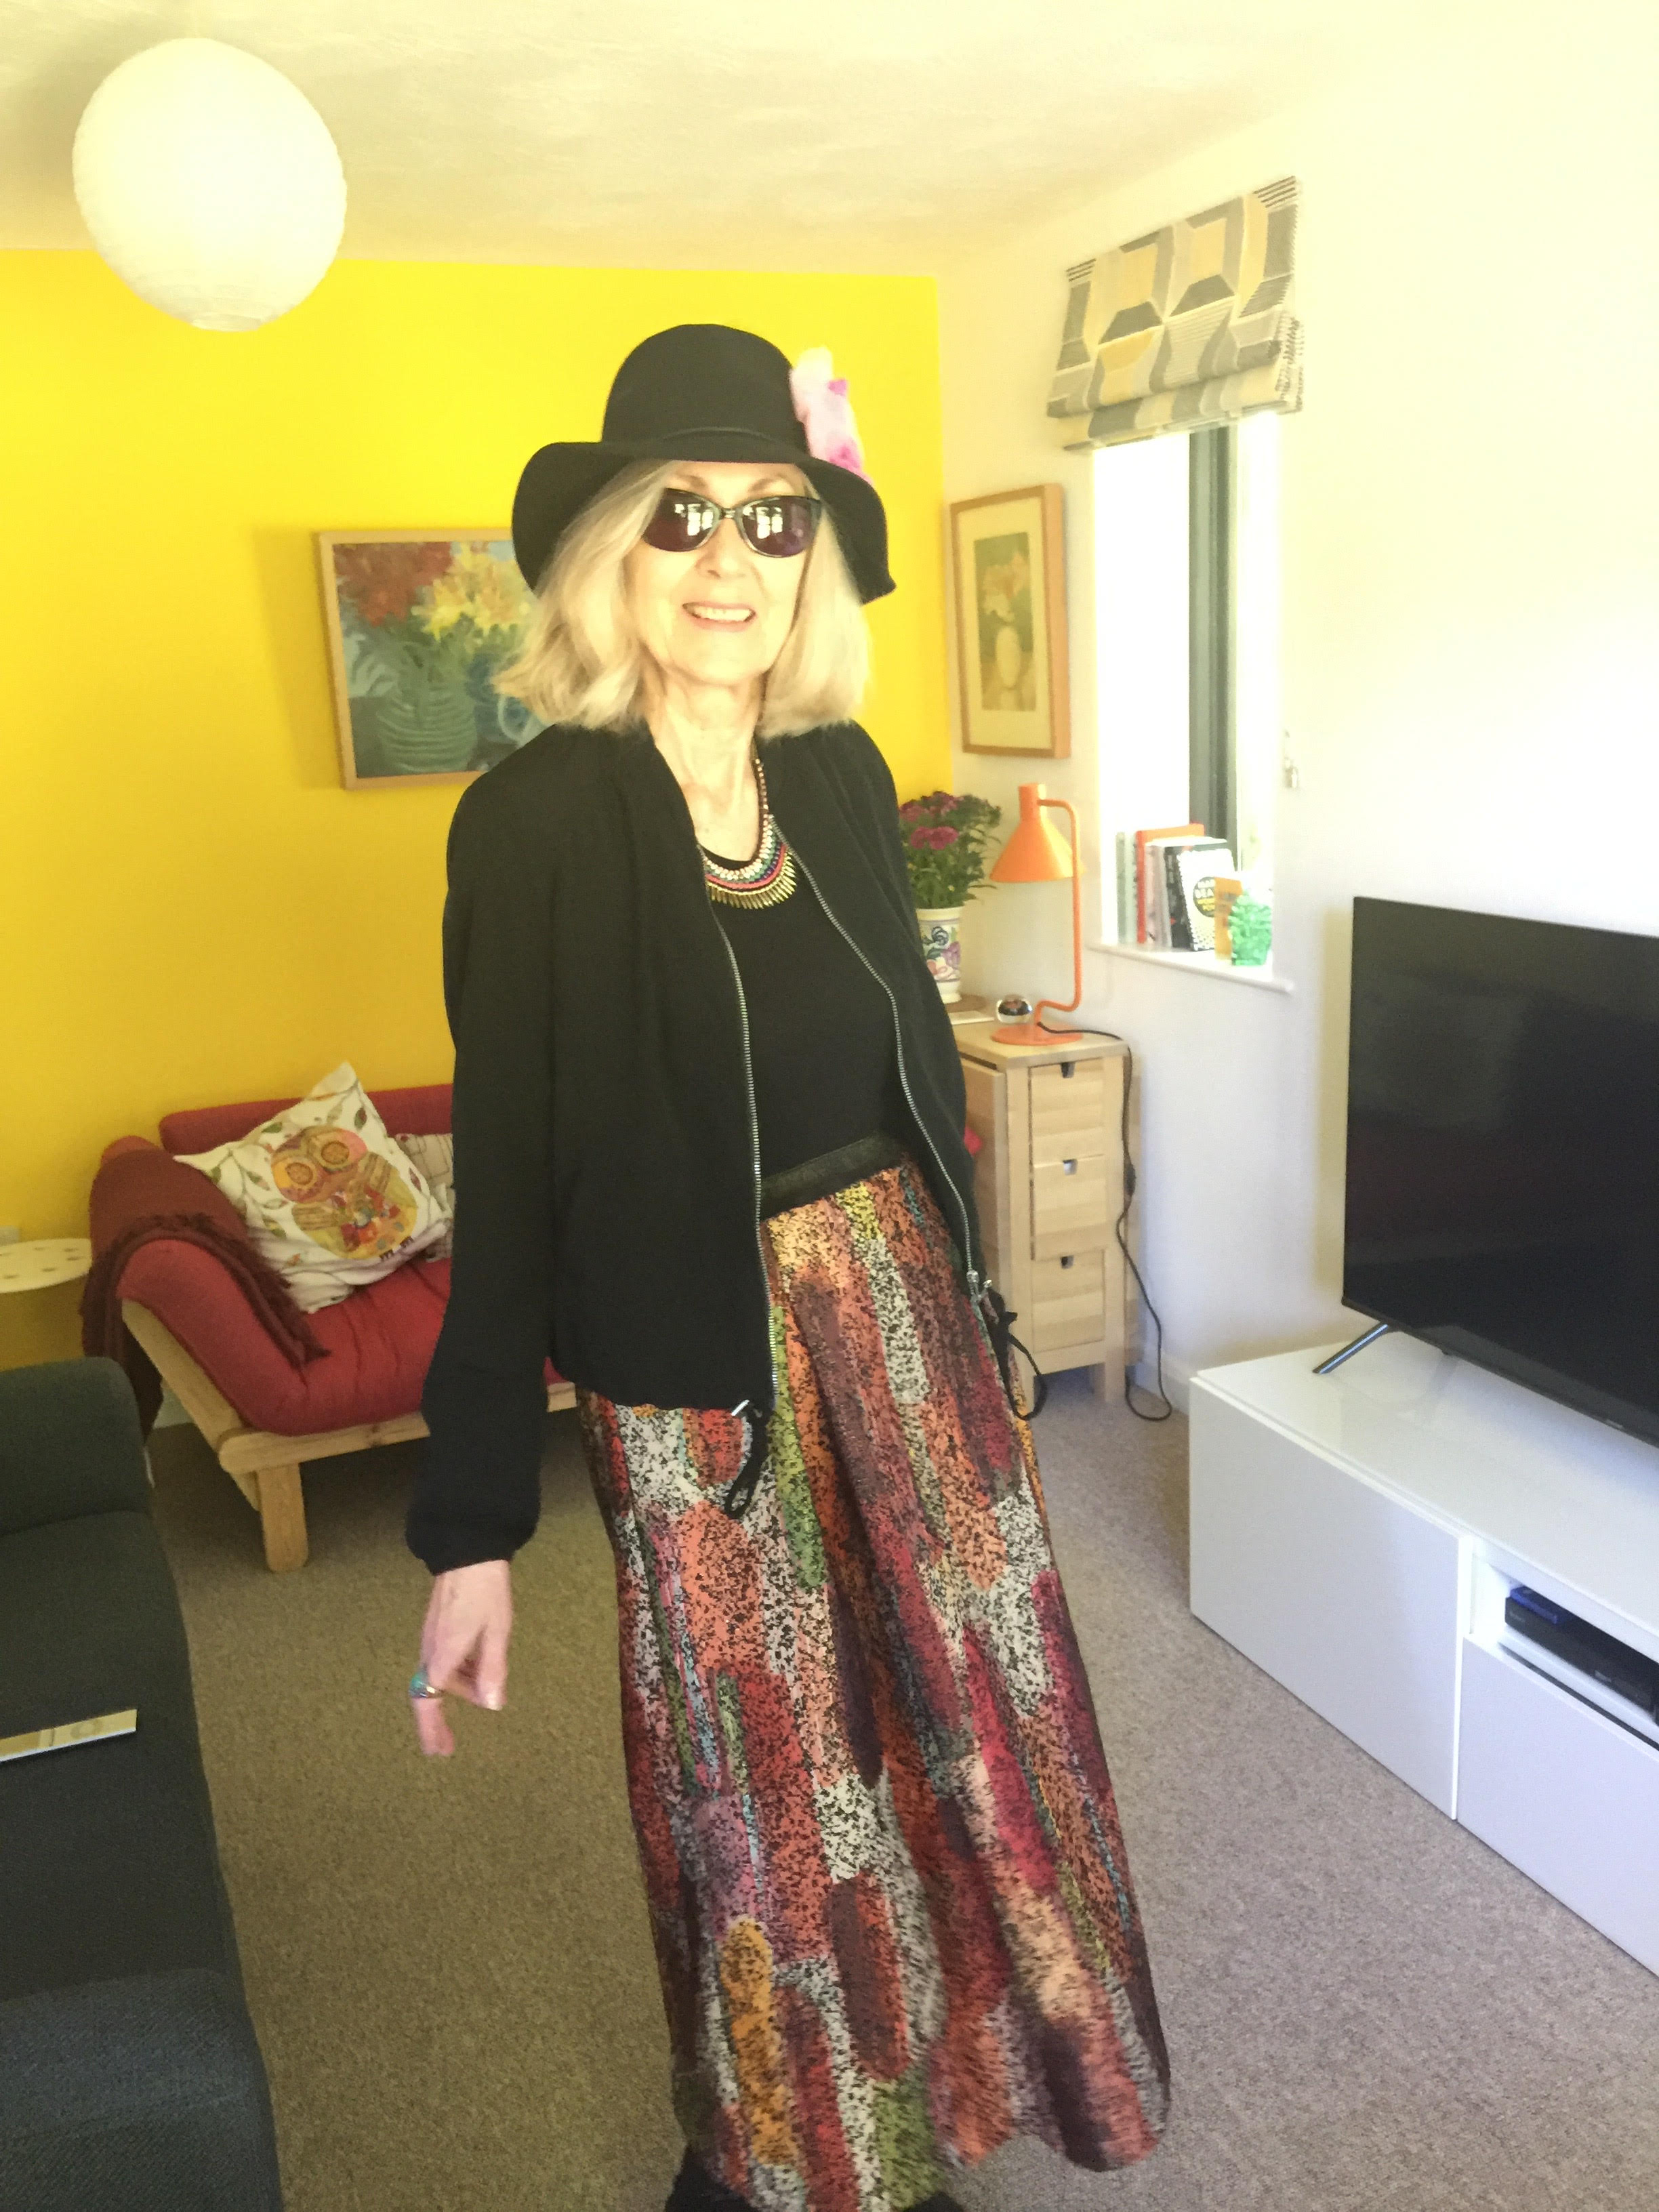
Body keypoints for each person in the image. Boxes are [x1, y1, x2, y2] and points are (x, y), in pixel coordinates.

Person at [402, 324, 1170, 2212]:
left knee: (976, 1737)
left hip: (906, 1335)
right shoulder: (533, 824)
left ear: (810, 554)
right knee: (767, 1791)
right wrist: (471, 1527)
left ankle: (961, 2105)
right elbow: (508, 1182)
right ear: (611, 556)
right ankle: (796, 2157)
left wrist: (981, 1326)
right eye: (680, 516)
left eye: (773, 514)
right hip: (705, 1386)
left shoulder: (835, 776)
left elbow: (910, 1079)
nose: (729, 557)